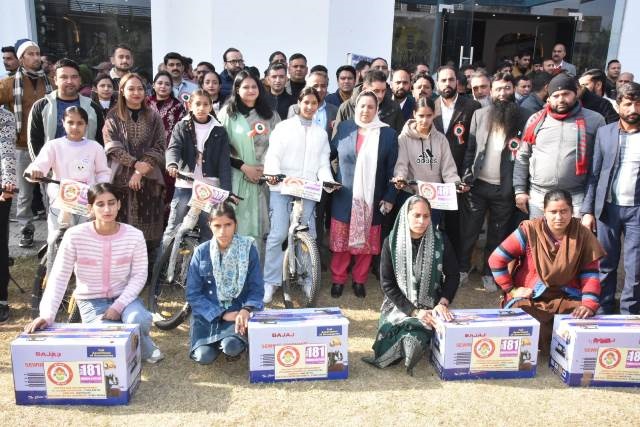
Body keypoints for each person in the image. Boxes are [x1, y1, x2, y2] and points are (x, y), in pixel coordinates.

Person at [24, 183, 164, 364]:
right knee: (108, 336)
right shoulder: (74, 235)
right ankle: (139, 344)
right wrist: (47, 314)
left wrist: (118, 306)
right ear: (90, 208)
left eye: (112, 203)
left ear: (119, 205)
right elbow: (59, 276)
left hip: (125, 298)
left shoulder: (134, 235)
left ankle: (141, 345)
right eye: (100, 204)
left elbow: (139, 275)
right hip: (91, 301)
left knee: (139, 319)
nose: (107, 209)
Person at [489, 189, 604, 354]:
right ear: (544, 211)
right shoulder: (529, 230)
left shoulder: (583, 235)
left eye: (564, 211)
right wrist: (512, 290)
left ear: (572, 211)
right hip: (532, 296)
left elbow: (590, 274)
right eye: (553, 212)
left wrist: (589, 304)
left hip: (566, 296)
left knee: (582, 315)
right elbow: (496, 259)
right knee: (521, 314)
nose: (559, 217)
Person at [363, 196, 459, 374]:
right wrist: (414, 311)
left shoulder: (440, 240)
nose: (421, 221)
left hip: (431, 306)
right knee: (390, 337)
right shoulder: (391, 242)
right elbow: (388, 284)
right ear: (405, 215)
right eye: (416, 215)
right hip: (399, 305)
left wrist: (443, 303)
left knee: (416, 336)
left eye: (426, 216)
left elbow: (453, 275)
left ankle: (415, 340)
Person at [262, 87, 334, 303]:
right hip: (283, 187)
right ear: (299, 103)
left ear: (318, 105)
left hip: (308, 189)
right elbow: (273, 155)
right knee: (278, 234)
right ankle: (271, 281)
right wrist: (273, 173)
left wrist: (328, 180)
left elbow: (323, 163)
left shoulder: (321, 133)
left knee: (307, 235)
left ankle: (306, 279)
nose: (310, 107)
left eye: (314, 103)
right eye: (306, 102)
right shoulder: (284, 127)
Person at [459, 72, 528, 291]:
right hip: (478, 185)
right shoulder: (480, 115)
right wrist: (466, 177)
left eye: (507, 88)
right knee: (469, 230)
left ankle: (490, 272)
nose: (502, 93)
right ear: (491, 91)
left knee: (497, 233)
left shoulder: (525, 117)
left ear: (513, 89)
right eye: (498, 89)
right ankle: (462, 268)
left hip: (504, 189)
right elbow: (470, 150)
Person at [330, 91, 398, 298]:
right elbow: (330, 154)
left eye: (370, 107)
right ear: (355, 107)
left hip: (372, 198)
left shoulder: (388, 134)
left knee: (366, 244)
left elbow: (393, 170)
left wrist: (390, 196)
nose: (366, 110)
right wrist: (329, 178)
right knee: (341, 243)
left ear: (377, 109)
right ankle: (338, 279)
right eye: (362, 106)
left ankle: (359, 280)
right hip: (344, 195)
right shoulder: (345, 128)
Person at [26, 105, 110, 268]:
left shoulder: (95, 147)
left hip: (87, 201)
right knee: (56, 241)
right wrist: (34, 171)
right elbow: (39, 165)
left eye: (80, 123)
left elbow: (103, 172)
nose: (75, 127)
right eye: (70, 122)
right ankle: (53, 274)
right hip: (61, 200)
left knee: (87, 242)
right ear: (63, 123)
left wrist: (100, 190)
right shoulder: (53, 146)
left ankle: (85, 275)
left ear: (86, 125)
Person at [581, 82, 640, 315]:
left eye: (638, 104)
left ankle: (629, 314)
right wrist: (587, 211)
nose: (633, 109)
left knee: (635, 267)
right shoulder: (605, 132)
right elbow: (594, 174)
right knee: (605, 263)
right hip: (607, 208)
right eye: (628, 104)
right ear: (618, 105)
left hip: (637, 210)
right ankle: (603, 311)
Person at [514, 73, 606, 218]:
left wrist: (589, 206)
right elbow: (523, 156)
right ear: (548, 98)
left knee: (574, 234)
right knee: (540, 234)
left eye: (566, 94)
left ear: (576, 94)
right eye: (556, 96)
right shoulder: (535, 120)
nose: (561, 99)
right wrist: (519, 190)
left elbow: (599, 165)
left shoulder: (595, 120)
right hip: (539, 197)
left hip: (576, 197)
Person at [186, 202, 264, 364]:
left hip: (237, 312)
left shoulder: (248, 248)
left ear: (235, 224)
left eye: (228, 225)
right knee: (203, 356)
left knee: (232, 346)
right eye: (217, 225)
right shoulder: (201, 252)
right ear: (210, 225)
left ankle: (231, 342)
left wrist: (246, 309)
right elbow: (193, 294)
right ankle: (214, 343)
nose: (223, 231)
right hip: (208, 315)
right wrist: (221, 314)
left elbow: (256, 287)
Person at [104, 73, 166, 265]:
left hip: (149, 178)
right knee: (122, 225)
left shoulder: (153, 116)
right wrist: (134, 164)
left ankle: (148, 269)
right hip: (121, 179)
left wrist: (140, 171)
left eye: (140, 88)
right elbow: (112, 146)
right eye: (131, 88)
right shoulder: (113, 116)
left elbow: (160, 145)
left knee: (150, 227)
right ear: (122, 91)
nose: (136, 92)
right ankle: (121, 267)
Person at [218, 70, 280, 257]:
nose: (251, 90)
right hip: (237, 178)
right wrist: (244, 167)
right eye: (246, 87)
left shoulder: (271, 115)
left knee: (262, 229)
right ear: (237, 89)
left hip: (264, 180)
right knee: (236, 227)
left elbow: (279, 145)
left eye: (254, 86)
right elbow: (220, 149)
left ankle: (258, 271)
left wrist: (266, 169)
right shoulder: (227, 114)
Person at [0, 39, 53, 248]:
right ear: (21, 59)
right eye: (30, 54)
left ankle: (53, 229)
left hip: (47, 146)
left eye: (37, 53)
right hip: (21, 146)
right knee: (24, 193)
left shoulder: (50, 81)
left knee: (49, 191)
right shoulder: (9, 84)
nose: (35, 57)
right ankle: (25, 229)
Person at [163, 89, 232, 248]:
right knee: (173, 228)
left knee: (208, 231)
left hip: (209, 188)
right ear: (189, 105)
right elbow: (174, 148)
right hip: (185, 185)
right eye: (198, 104)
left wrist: (226, 191)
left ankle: (203, 263)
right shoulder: (181, 126)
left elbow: (224, 163)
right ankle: (163, 262)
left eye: (206, 104)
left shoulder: (219, 130)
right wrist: (172, 164)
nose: (201, 108)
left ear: (211, 106)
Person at [433, 65, 481, 260]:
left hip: (459, 178)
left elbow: (474, 145)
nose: (447, 84)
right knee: (433, 222)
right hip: (433, 176)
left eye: (451, 80)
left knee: (455, 225)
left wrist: (466, 176)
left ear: (457, 82)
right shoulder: (429, 106)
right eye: (443, 80)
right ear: (437, 83)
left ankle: (452, 265)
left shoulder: (472, 107)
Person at [393, 96, 461, 226]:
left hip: (435, 198)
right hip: (411, 195)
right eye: (421, 115)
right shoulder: (404, 138)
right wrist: (400, 177)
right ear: (414, 114)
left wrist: (455, 183)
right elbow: (401, 164)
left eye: (429, 115)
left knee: (432, 232)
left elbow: (448, 169)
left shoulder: (441, 139)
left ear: (434, 114)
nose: (425, 120)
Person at [29, 58, 105, 160]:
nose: (69, 81)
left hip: (86, 166)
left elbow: (101, 141)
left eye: (74, 77)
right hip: (51, 167)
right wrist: (43, 167)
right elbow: (34, 141)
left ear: (80, 80)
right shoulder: (41, 106)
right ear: (55, 80)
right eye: (64, 77)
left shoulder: (93, 108)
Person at [335, 70, 405, 134]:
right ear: (364, 89)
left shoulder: (394, 108)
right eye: (376, 91)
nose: (380, 95)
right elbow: (337, 138)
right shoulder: (346, 108)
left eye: (383, 91)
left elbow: (399, 139)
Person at [0, 108, 16, 322]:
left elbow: (7, 151)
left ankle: (1, 299)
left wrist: (8, 183)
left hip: (2, 189)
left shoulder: (4, 116)